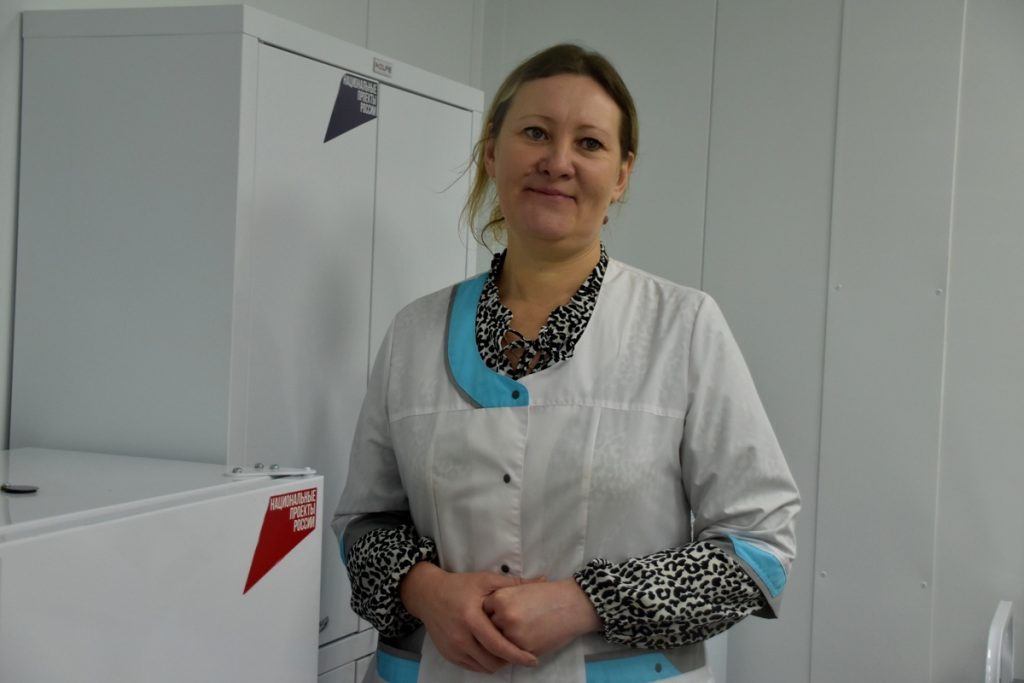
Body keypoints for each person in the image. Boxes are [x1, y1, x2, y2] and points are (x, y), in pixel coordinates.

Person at [333, 43, 799, 683]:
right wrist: (423, 587)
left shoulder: (683, 326)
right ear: (492, 152)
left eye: (589, 143)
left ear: (622, 174)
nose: (557, 162)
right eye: (535, 133)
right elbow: (362, 522)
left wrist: (584, 603)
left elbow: (760, 550)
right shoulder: (415, 331)